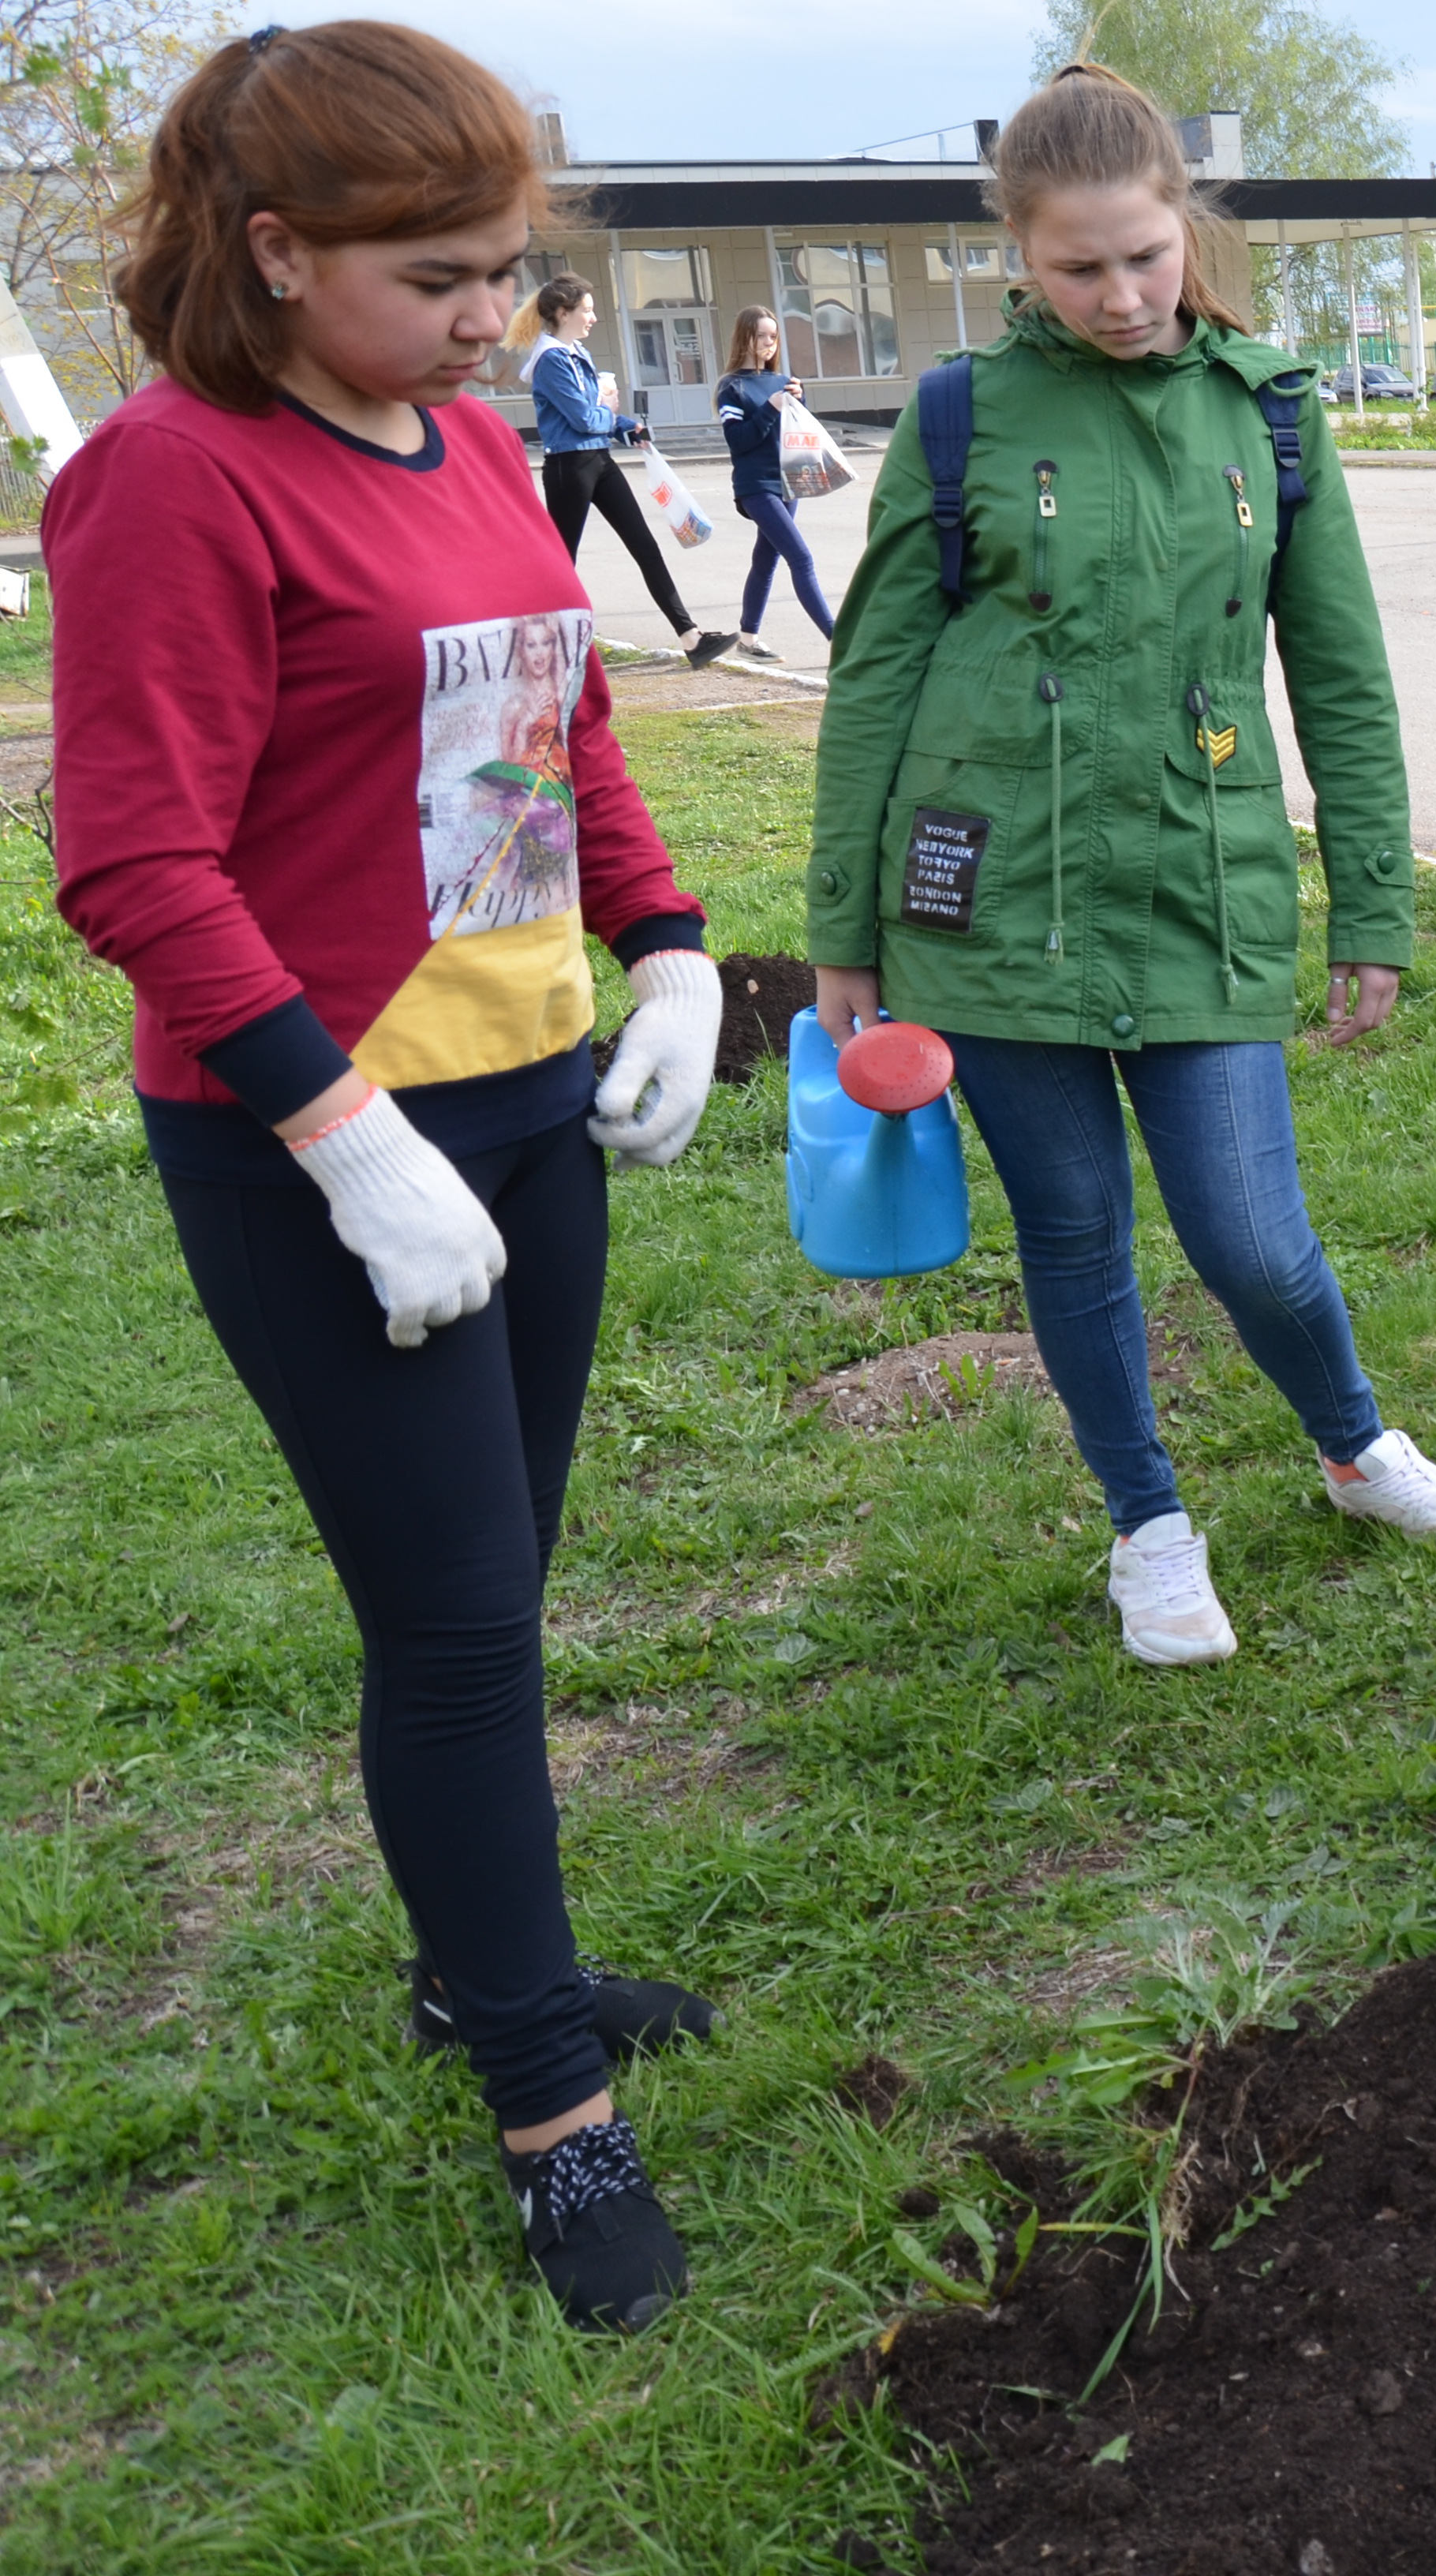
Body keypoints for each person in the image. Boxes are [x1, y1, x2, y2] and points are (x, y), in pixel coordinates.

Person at [48, 20, 731, 2332]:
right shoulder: (172, 476)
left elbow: (558, 727)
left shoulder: (455, 436)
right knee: (450, 1622)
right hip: (326, 1142)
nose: (489, 318)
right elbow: (131, 851)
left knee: (504, 1578)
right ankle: (548, 2107)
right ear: (270, 251)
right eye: (436, 272)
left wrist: (668, 954)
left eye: (510, 270)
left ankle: (477, 1962)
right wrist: (339, 1134)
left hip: (533, 1099)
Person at [811, 63, 1436, 1668]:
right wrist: (843, 930)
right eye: (1079, 268)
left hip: (1202, 885)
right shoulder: (958, 416)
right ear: (1018, 259)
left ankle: (1354, 1447)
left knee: (1252, 1235)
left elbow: (1339, 673)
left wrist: (1374, 901)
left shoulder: (1271, 410)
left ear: (1185, 229)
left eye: (1144, 257)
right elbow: (875, 682)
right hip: (986, 903)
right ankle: (1148, 1524)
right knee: (1071, 1232)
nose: (1120, 297)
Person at [514, 272, 732, 668]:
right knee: (561, 560)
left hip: (599, 461)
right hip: (569, 466)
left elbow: (596, 413)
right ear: (564, 313)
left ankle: (691, 638)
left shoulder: (577, 353)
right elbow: (582, 417)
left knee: (644, 545)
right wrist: (609, 416)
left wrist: (626, 426)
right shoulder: (549, 361)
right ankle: (536, 645)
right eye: (588, 310)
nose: (593, 317)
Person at [714, 306, 831, 660]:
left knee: (766, 559)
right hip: (756, 486)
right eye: (762, 335)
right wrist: (771, 408)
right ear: (745, 337)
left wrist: (799, 400)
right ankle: (838, 638)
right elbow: (738, 441)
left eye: (773, 336)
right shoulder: (731, 387)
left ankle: (747, 640)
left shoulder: (781, 381)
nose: (769, 342)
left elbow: (797, 433)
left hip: (787, 481)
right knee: (802, 558)